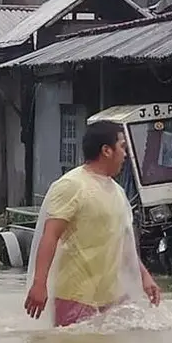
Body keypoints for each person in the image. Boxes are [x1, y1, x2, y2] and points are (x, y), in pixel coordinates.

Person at [24, 123, 162, 327]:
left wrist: (144, 277)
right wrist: (39, 283)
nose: (126, 154)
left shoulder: (117, 192)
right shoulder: (72, 185)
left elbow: (122, 243)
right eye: (122, 147)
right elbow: (50, 235)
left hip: (112, 296)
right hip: (76, 295)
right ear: (106, 150)